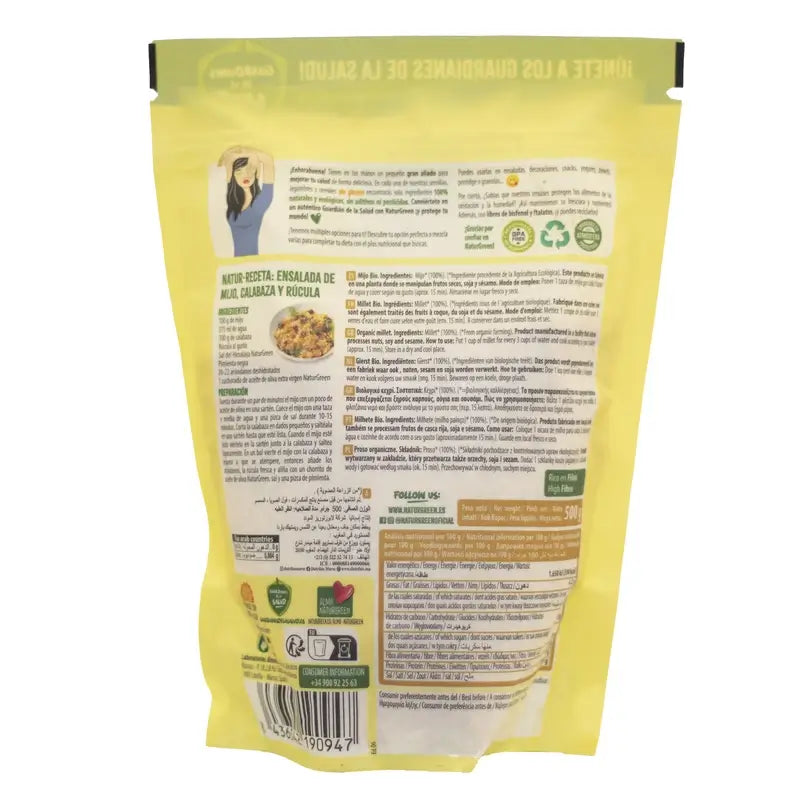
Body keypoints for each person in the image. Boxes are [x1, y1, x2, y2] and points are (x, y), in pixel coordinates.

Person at [218, 146, 275, 257]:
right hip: (235, 263)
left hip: (252, 263)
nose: (245, 175)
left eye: (250, 169)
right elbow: (221, 162)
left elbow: (268, 161)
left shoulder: (259, 204)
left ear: (256, 172)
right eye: (239, 171)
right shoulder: (233, 201)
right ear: (233, 176)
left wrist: (249, 153)